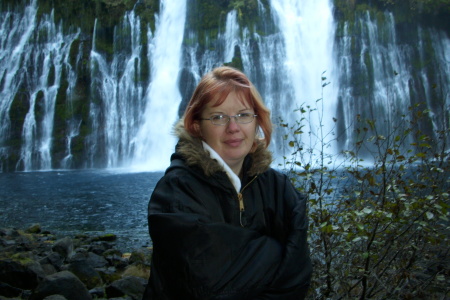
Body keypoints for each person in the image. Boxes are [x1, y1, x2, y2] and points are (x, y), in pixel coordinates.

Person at [143, 66, 312, 299]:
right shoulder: (175, 191)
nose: (233, 128)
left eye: (243, 115)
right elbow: (204, 280)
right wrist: (276, 252)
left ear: (257, 121)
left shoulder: (278, 187)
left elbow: (299, 276)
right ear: (196, 126)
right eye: (218, 117)